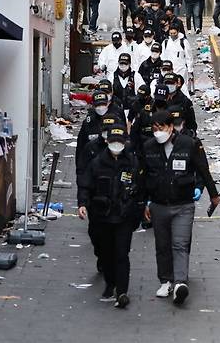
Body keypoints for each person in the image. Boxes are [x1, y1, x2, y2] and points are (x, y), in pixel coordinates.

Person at [142, 110, 220, 305]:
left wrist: (213, 194)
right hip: (159, 204)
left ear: (170, 127)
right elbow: (143, 177)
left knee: (179, 244)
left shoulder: (188, 144)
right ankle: (165, 280)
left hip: (183, 205)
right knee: (162, 245)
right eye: (154, 129)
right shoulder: (149, 147)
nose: (158, 132)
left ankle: (179, 283)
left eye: (161, 128)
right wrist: (144, 202)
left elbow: (203, 169)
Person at [78, 124, 146, 308]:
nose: (117, 144)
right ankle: (110, 283)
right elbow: (86, 185)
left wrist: (138, 213)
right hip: (102, 217)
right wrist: (83, 204)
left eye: (120, 141)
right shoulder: (97, 163)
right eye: (113, 141)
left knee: (122, 254)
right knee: (107, 254)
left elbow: (140, 190)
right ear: (107, 141)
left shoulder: (132, 163)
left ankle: (122, 291)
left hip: (124, 216)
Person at [76, 112, 123, 273]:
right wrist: (82, 202)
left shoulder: (125, 150)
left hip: (118, 202)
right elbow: (83, 175)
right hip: (96, 200)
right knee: (96, 234)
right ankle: (102, 256)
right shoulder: (91, 148)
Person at [162, 25, 194, 96]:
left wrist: (190, 70)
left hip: (181, 69)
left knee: (182, 88)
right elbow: (163, 56)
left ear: (178, 32)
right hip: (169, 70)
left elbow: (189, 57)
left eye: (174, 33)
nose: (173, 35)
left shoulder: (184, 42)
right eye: (171, 33)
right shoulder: (166, 42)